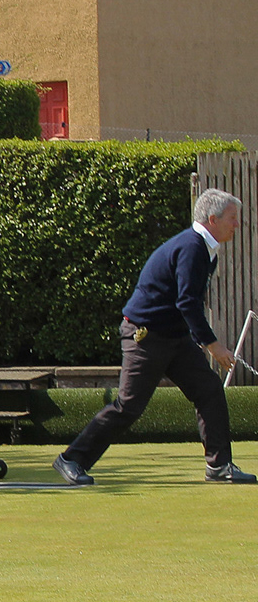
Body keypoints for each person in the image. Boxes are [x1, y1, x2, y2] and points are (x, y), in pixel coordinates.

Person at [55, 188, 254, 486]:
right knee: (129, 405)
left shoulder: (205, 248)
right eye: (232, 218)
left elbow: (185, 302)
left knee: (209, 389)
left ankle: (219, 466)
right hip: (145, 335)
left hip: (173, 336)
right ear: (212, 219)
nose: (237, 225)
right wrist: (213, 346)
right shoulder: (192, 246)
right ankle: (72, 459)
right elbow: (187, 302)